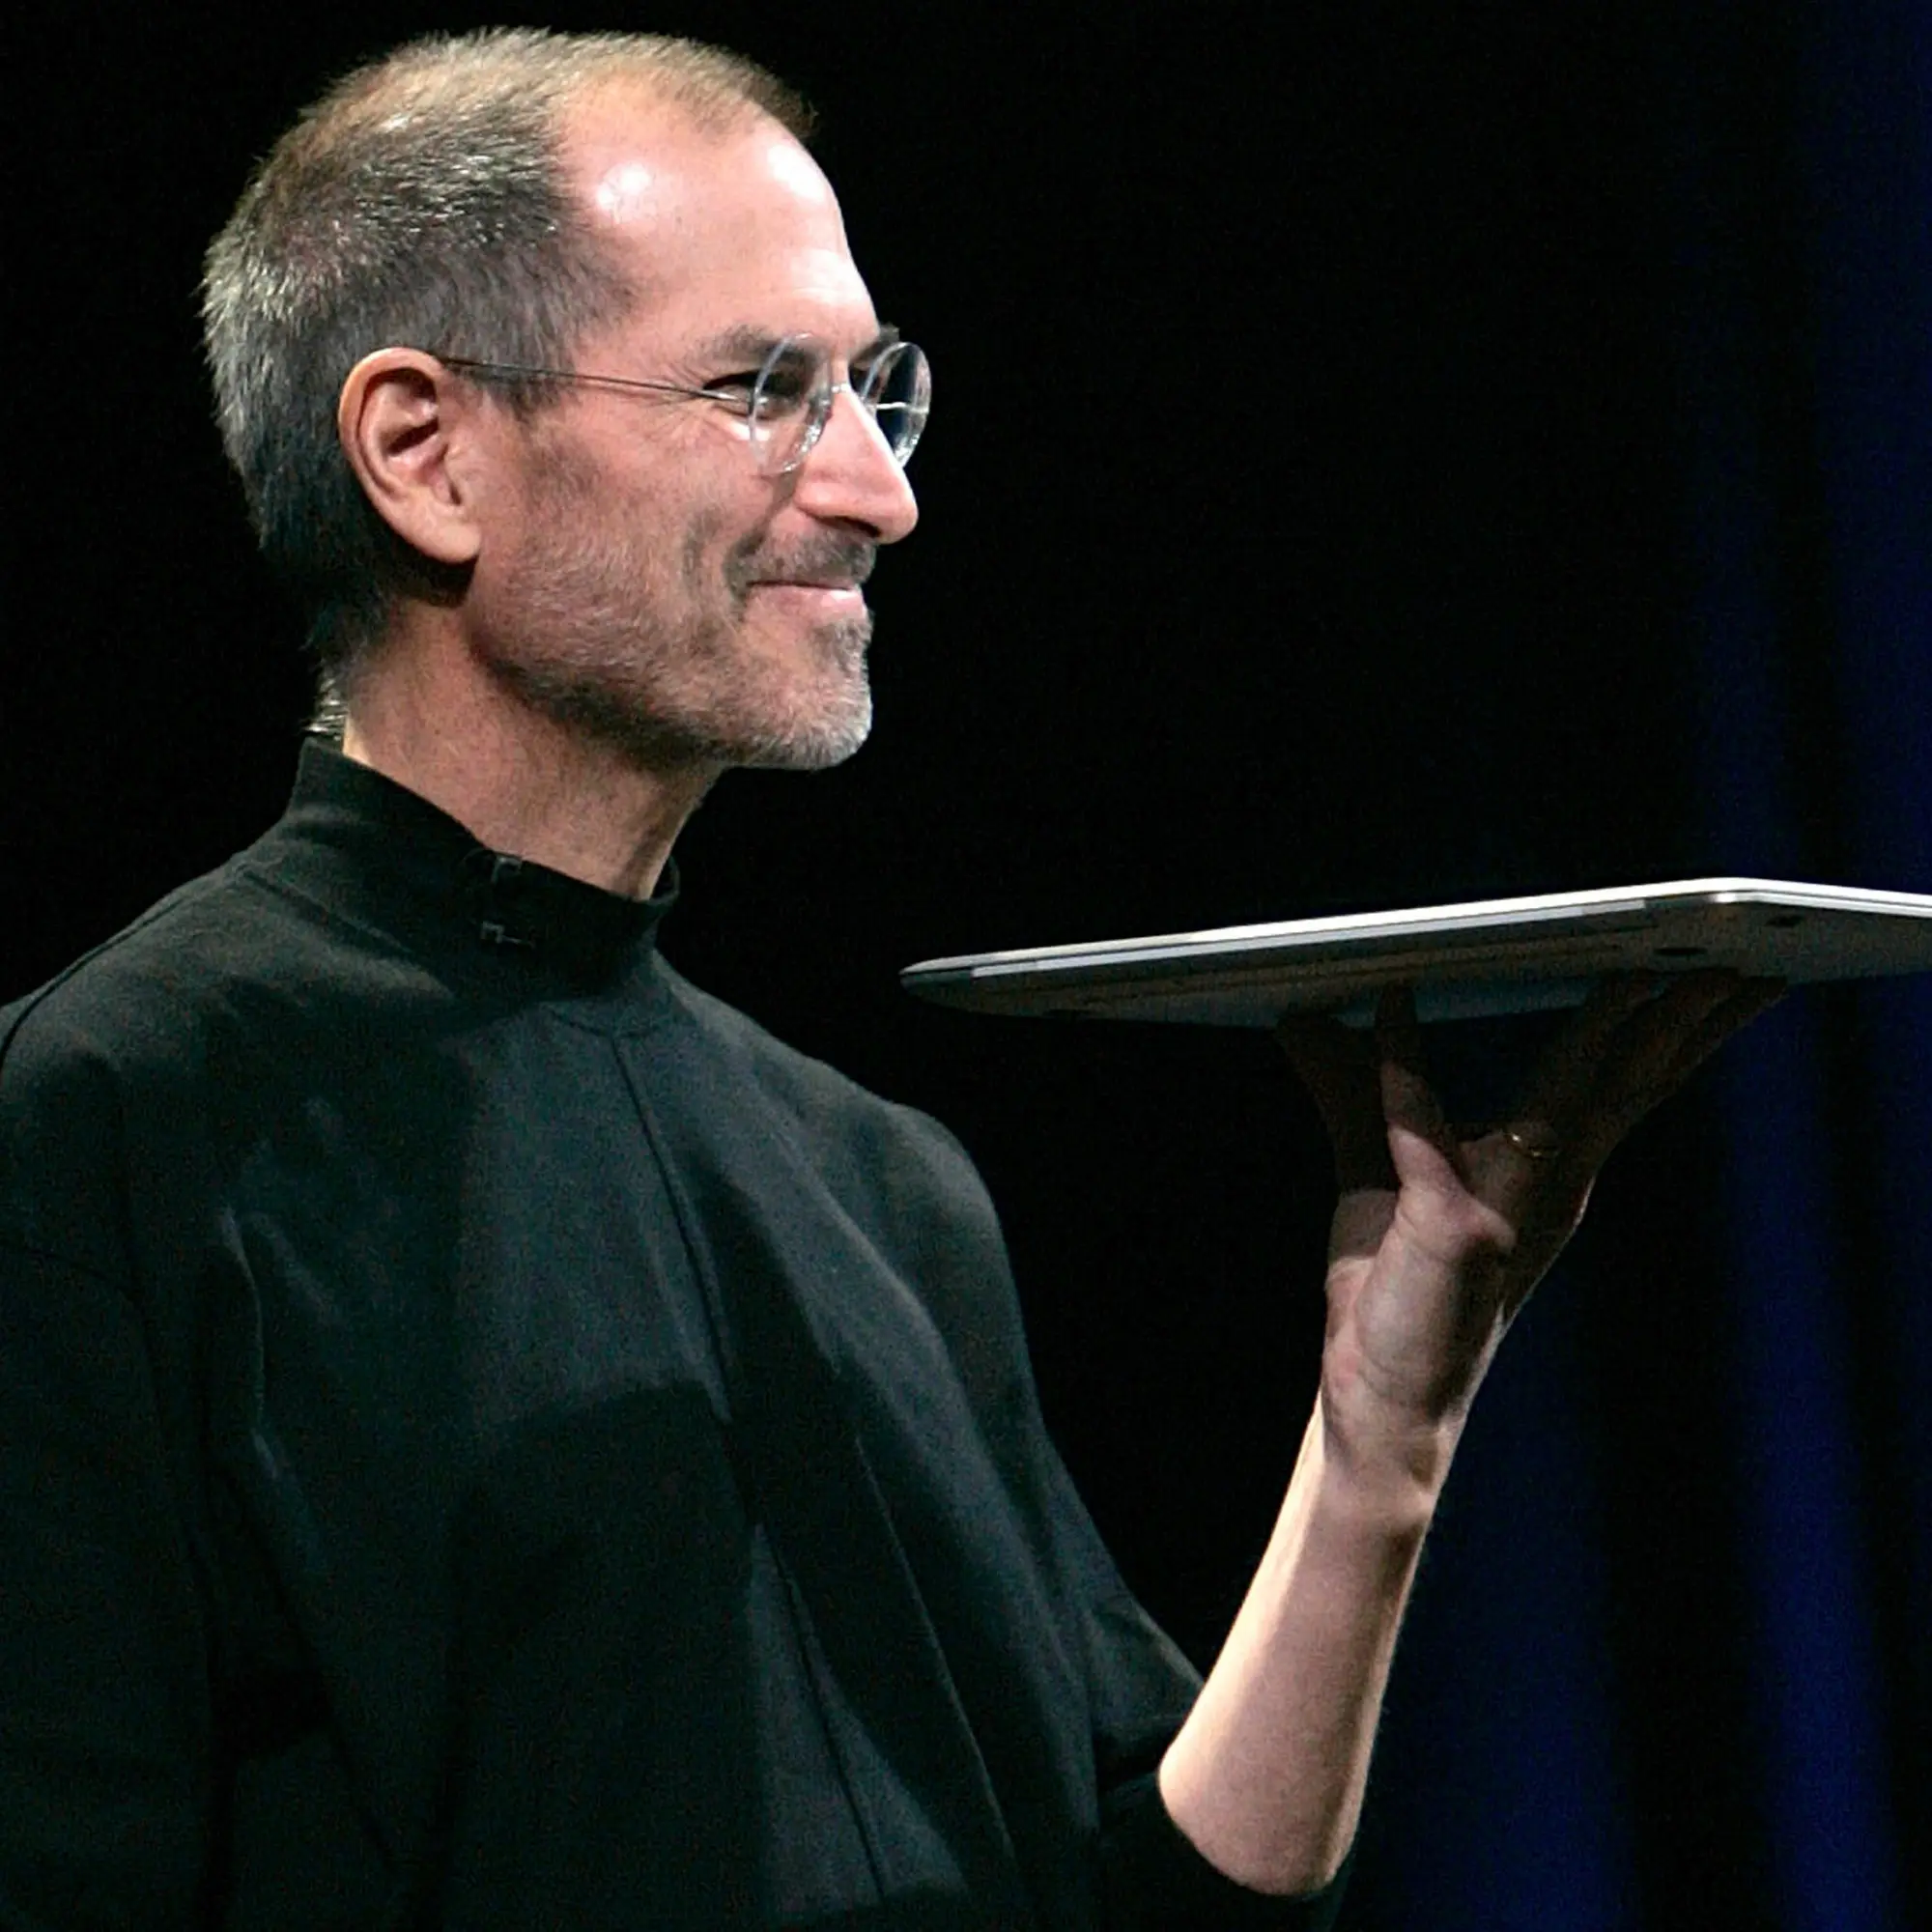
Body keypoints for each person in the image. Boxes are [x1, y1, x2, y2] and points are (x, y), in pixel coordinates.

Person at [0, 27, 1776, 1930]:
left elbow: (1137, 1904)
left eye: (874, 390)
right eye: (765, 389)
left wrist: (1385, 1439)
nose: (876, 493)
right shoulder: (125, 1117)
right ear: (426, 454)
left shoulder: (881, 1185)